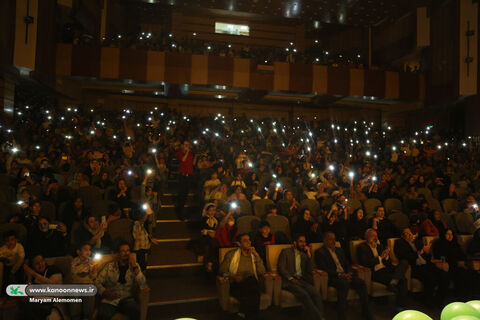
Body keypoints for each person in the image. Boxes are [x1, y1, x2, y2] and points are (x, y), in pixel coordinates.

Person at [315, 232, 372, 320]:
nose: (333, 241)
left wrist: (348, 273)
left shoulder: (339, 250)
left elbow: (347, 264)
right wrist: (340, 275)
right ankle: (342, 315)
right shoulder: (320, 252)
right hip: (333, 277)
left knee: (361, 283)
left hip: (346, 275)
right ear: (325, 241)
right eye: (330, 239)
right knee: (344, 284)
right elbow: (324, 268)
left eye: (334, 239)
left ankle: (366, 312)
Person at [394, 228, 449, 307]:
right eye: (406, 233)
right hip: (416, 267)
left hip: (427, 264)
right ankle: (428, 302)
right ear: (402, 236)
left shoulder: (417, 242)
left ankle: (438, 300)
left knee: (445, 275)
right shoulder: (399, 243)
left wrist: (427, 253)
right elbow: (403, 256)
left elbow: (427, 257)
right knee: (431, 278)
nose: (409, 235)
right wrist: (418, 253)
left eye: (410, 233)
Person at [357, 229, 408, 310]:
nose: (376, 238)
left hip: (386, 269)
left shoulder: (380, 246)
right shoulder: (362, 247)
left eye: (376, 236)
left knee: (404, 262)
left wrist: (387, 256)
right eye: (373, 236)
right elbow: (365, 263)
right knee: (403, 280)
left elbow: (388, 263)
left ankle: (394, 281)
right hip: (376, 272)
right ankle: (400, 307)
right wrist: (381, 257)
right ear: (366, 237)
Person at [95, 243, 148, 320]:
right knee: (102, 314)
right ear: (118, 254)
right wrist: (104, 292)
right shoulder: (109, 266)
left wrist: (135, 267)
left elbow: (143, 284)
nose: (126, 253)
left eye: (127, 251)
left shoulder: (134, 266)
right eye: (123, 251)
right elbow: (97, 282)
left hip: (127, 298)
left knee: (135, 311)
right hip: (110, 299)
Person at [278, 234, 326, 320]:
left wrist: (309, 255)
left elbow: (310, 270)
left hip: (302, 281)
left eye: (304, 242)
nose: (303, 244)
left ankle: (320, 316)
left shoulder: (304, 255)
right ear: (295, 243)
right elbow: (281, 268)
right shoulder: (285, 252)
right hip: (290, 281)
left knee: (316, 294)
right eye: (301, 241)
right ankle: (319, 318)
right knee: (304, 295)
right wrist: (291, 279)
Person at [219, 233, 266, 320]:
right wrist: (233, 277)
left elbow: (262, 272)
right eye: (245, 240)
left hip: (252, 285)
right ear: (239, 244)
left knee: (251, 282)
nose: (249, 242)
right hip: (237, 285)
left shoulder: (254, 256)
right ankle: (250, 316)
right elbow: (222, 272)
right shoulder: (231, 255)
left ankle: (243, 314)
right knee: (254, 290)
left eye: (249, 240)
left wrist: (257, 256)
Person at [433, 228, 480, 297]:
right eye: (448, 234)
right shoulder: (440, 244)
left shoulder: (455, 244)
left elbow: (462, 254)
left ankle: (472, 296)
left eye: (451, 234)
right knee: (462, 274)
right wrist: (457, 263)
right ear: (444, 235)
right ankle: (461, 297)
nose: (450, 236)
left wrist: (463, 262)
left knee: (474, 274)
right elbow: (442, 256)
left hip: (460, 265)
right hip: (450, 266)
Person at [70, 243, 97, 320]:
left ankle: (87, 317)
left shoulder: (91, 261)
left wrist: (94, 269)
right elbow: (74, 271)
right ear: (78, 252)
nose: (88, 252)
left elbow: (93, 277)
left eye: (89, 250)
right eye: (85, 249)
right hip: (76, 285)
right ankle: (75, 317)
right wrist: (86, 264)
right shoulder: (74, 261)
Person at [132, 206, 159, 271]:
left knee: (143, 264)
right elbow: (136, 236)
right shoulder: (137, 225)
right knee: (141, 266)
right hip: (139, 250)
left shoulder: (141, 225)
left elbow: (144, 234)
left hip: (142, 249)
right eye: (145, 215)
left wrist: (150, 240)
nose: (146, 217)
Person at [176, 140, 196, 220]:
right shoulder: (180, 152)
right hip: (182, 176)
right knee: (182, 194)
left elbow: (193, 163)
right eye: (185, 144)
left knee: (185, 195)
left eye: (188, 144)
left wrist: (196, 156)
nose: (187, 146)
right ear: (182, 146)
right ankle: (180, 213)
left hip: (189, 176)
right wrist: (187, 152)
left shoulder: (191, 153)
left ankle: (182, 212)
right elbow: (183, 160)